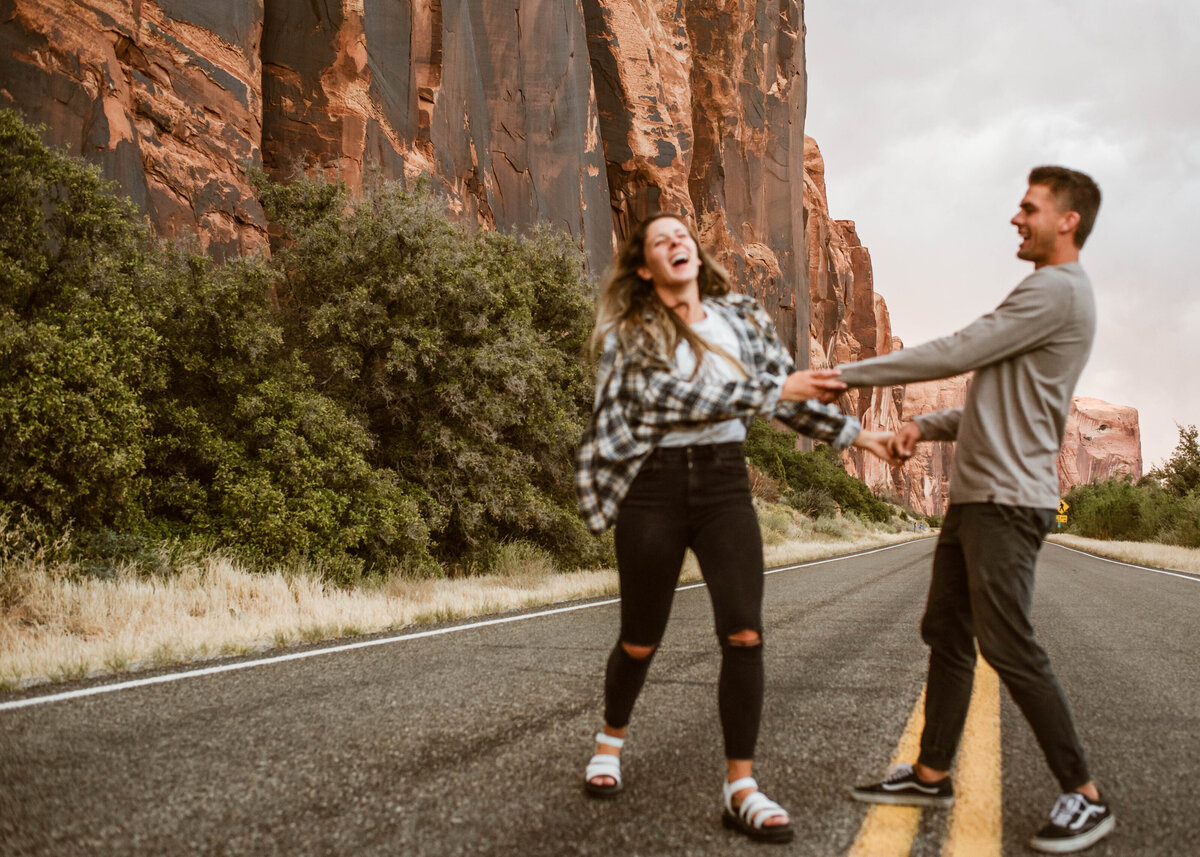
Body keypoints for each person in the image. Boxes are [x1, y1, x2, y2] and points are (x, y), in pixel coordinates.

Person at [574, 212, 895, 843]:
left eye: (683, 236)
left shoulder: (741, 318)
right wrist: (768, 391)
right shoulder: (628, 331)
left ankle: (741, 786)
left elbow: (790, 398)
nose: (676, 244)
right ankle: (610, 742)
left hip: (724, 485)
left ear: (695, 254)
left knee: (745, 635)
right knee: (641, 637)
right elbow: (663, 399)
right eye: (660, 240)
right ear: (645, 267)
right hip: (653, 487)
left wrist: (865, 436)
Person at [835, 166, 1113, 854]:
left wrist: (846, 373)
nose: (1016, 219)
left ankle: (1084, 794)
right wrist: (922, 429)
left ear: (1067, 218)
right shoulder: (1047, 292)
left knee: (1007, 642)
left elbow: (959, 349)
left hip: (1006, 502)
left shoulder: (1056, 290)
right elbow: (989, 403)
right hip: (976, 501)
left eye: (1029, 208)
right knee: (947, 629)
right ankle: (931, 772)